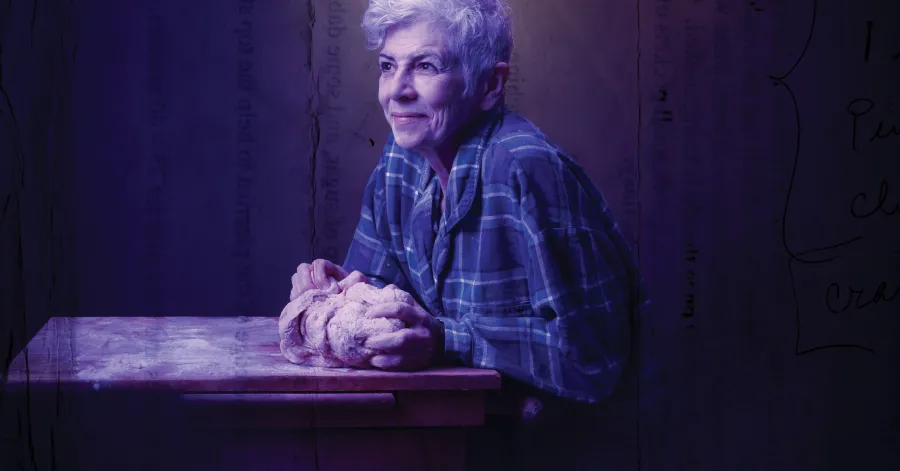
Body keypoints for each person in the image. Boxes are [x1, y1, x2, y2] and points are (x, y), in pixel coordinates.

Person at [291, 0, 650, 468]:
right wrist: (338, 293)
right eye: (387, 66)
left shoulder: (525, 169)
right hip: (451, 446)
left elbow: (595, 361)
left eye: (425, 66)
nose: (396, 91)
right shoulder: (400, 161)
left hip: (559, 454)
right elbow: (379, 296)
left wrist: (445, 340)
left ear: (490, 85)